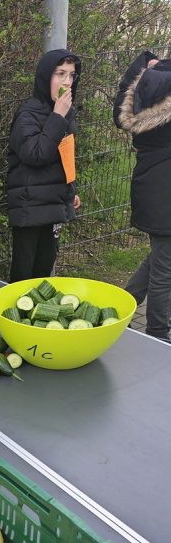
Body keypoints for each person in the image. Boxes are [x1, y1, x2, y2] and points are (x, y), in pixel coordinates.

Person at [6, 49, 82, 282]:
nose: (67, 81)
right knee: (23, 276)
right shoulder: (27, 114)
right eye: (60, 74)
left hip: (54, 204)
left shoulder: (64, 113)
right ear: (45, 76)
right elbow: (36, 154)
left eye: (71, 75)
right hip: (30, 207)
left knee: (43, 274)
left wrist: (70, 190)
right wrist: (57, 117)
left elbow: (63, 155)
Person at [113, 51, 171, 342]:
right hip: (165, 190)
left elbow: (119, 113)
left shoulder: (148, 80)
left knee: (161, 257)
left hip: (150, 183)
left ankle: (119, 308)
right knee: (165, 269)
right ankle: (159, 334)